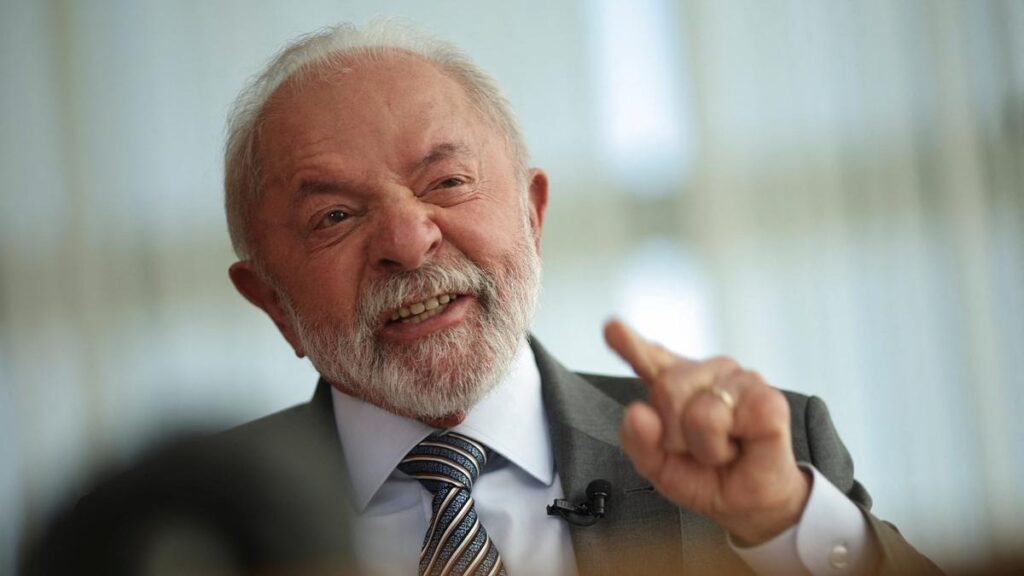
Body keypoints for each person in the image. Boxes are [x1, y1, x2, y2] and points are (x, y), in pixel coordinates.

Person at [213, 21, 940, 576]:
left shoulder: (776, 460)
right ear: (272, 301)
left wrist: (783, 521)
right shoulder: (197, 525)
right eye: (334, 217)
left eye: (448, 182)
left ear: (532, 214)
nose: (408, 240)